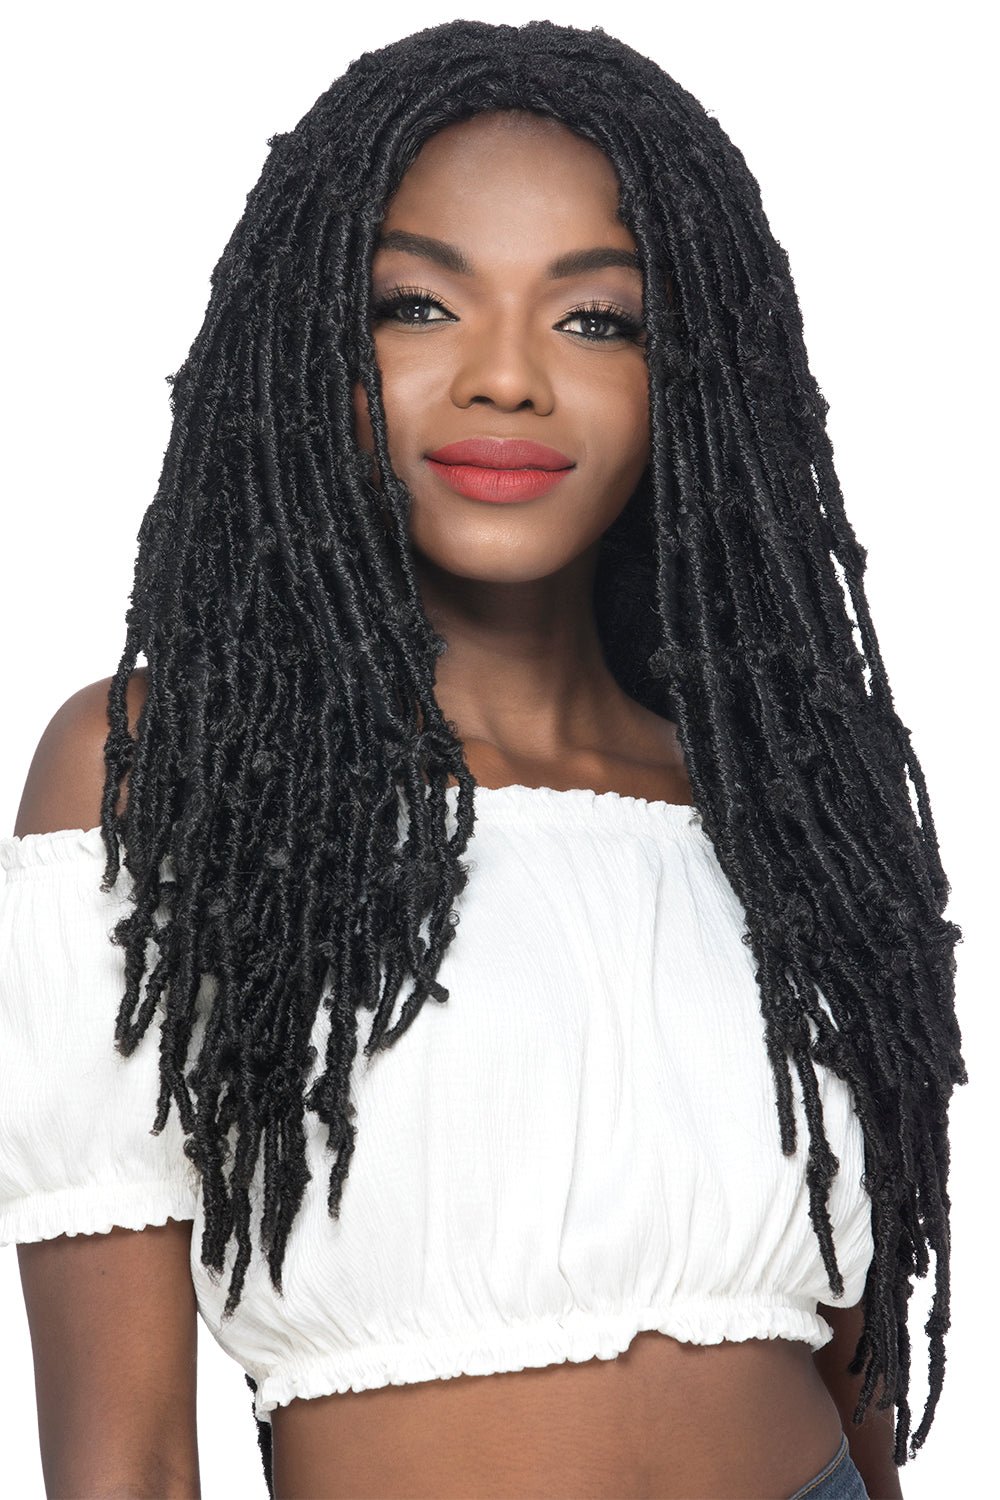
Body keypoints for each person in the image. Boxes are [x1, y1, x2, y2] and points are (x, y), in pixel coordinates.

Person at [0, 18, 966, 1500]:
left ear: (694, 378)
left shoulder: (778, 806)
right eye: (417, 305)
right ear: (307, 347)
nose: (507, 379)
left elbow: (859, 1373)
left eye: (597, 320)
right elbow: (122, 1460)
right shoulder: (157, 774)